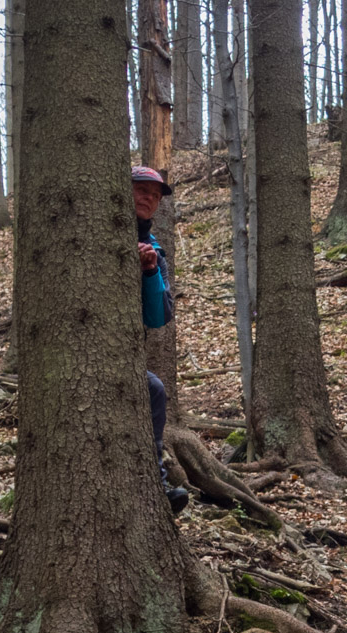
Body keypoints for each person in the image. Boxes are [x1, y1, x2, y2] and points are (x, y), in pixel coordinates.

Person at [133, 166, 189, 513]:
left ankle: (156, 478)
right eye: (142, 190)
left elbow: (159, 318)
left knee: (153, 388)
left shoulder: (157, 252)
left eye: (155, 196)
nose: (149, 199)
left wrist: (150, 271)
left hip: (127, 353)